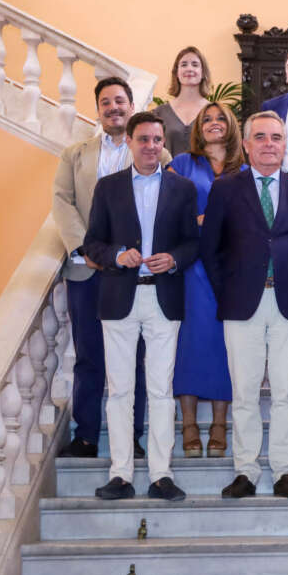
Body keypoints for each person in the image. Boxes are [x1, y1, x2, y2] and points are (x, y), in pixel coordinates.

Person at [200, 111, 288, 499]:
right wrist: (229, 290)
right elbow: (210, 249)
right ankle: (246, 471)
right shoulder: (225, 188)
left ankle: (284, 469)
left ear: (286, 145)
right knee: (245, 391)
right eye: (261, 137)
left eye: (276, 137)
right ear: (248, 144)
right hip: (241, 304)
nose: (269, 144)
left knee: (287, 391)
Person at [83, 111, 199, 501]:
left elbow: (192, 242)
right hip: (119, 296)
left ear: (164, 143)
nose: (151, 147)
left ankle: (160, 475)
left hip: (163, 295)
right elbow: (93, 242)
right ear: (130, 142)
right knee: (118, 390)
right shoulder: (107, 187)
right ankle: (121, 475)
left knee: (161, 389)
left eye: (157, 140)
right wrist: (117, 255)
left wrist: (176, 259)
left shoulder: (182, 189)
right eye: (144, 139)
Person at [52, 76, 169, 458]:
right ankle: (86, 435)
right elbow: (62, 200)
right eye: (106, 102)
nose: (113, 107)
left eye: (120, 100)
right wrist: (85, 249)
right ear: (98, 109)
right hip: (88, 270)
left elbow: (164, 207)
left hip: (134, 274)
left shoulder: (155, 153)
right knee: (89, 354)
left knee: (133, 357)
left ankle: (131, 436)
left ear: (131, 106)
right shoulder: (76, 154)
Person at [169, 102, 246, 458]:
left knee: (223, 345)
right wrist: (195, 223)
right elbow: (163, 210)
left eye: (220, 118)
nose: (214, 123)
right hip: (192, 267)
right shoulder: (183, 164)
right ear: (198, 128)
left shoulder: (243, 169)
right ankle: (188, 424)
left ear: (231, 126)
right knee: (190, 344)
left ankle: (218, 423)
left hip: (230, 268)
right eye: (207, 119)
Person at [153, 46, 212, 156]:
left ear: (203, 72)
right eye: (184, 64)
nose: (189, 69)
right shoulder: (159, 113)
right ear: (176, 73)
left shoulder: (214, 112)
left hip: (207, 173)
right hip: (167, 173)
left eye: (195, 65)